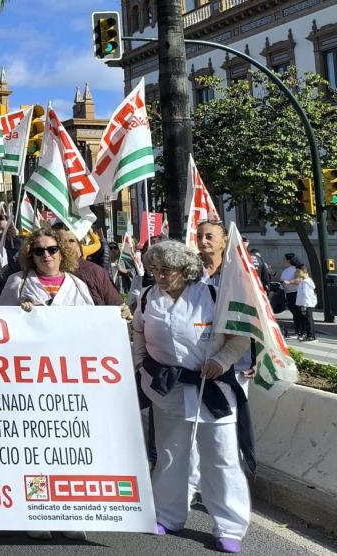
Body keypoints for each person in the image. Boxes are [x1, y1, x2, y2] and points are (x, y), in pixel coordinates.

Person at [134, 239, 252, 552]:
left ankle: (229, 528)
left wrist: (221, 361)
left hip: (213, 389)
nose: (159, 275)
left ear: (185, 271)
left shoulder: (213, 297)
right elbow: (137, 333)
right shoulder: (147, 298)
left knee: (221, 457)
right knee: (170, 455)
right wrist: (141, 362)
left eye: (167, 270)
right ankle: (168, 515)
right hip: (167, 390)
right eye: (155, 269)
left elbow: (239, 338)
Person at [0, 227, 93, 309]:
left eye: (52, 249)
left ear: (61, 252)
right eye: (39, 251)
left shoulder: (78, 285)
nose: (46, 255)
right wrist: (19, 310)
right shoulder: (17, 281)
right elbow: (3, 316)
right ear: (32, 256)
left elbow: (89, 319)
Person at [55, 229, 121, 306]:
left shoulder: (96, 272)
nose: (67, 245)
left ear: (79, 248)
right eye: (61, 241)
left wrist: (122, 311)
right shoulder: (46, 273)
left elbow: (115, 305)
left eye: (71, 241)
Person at [280, 254, 304, 340]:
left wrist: (289, 282)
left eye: (284, 259)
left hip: (296, 293)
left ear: (289, 261)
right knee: (294, 313)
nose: (283, 261)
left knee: (298, 313)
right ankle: (297, 330)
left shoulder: (297, 269)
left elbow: (299, 280)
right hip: (288, 293)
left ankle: (302, 331)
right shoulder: (286, 270)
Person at [295, 267, 317, 342]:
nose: (297, 273)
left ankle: (311, 336)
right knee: (308, 319)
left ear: (303, 272)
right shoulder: (304, 281)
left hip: (306, 304)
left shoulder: (306, 282)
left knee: (308, 319)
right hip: (305, 303)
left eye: (298, 272)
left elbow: (306, 294)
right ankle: (310, 335)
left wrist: (304, 305)